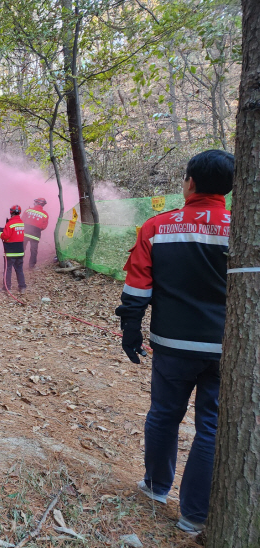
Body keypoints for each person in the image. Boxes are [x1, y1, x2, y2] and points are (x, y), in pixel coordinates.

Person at [116, 149, 234, 534]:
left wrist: (130, 331)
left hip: (172, 346)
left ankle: (154, 487)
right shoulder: (244, 227)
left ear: (190, 182)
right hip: (227, 351)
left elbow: (136, 288)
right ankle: (194, 515)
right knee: (211, 427)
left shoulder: (157, 227)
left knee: (164, 414)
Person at [0, 204, 26, 293]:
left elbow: (5, 236)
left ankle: (7, 288)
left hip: (10, 252)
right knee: (19, 270)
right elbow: (12, 231)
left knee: (8, 270)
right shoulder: (21, 223)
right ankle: (22, 287)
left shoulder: (10, 223)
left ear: (11, 212)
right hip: (20, 251)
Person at [23, 197, 49, 269]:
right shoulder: (45, 214)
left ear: (37, 203)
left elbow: (22, 220)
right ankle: (32, 266)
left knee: (22, 248)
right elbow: (44, 226)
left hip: (25, 233)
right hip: (35, 235)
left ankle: (19, 264)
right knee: (34, 250)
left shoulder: (28, 210)